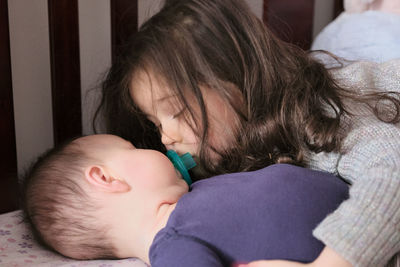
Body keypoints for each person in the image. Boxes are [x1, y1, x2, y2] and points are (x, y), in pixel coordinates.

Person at [95, 0, 400, 266]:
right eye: (156, 123)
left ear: (233, 79)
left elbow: (392, 173)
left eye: (175, 111)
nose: (166, 138)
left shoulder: (327, 110)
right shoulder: (230, 163)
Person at [21, 134, 349, 266]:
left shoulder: (190, 200)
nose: (160, 146)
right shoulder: (171, 244)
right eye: (133, 148)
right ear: (106, 179)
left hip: (366, 217)